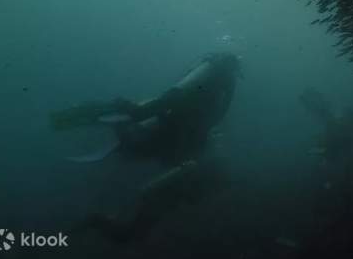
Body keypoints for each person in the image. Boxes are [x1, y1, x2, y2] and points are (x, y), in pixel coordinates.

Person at [51, 52, 241, 241]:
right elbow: (179, 96)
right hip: (170, 127)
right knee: (133, 141)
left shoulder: (217, 81)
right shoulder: (215, 77)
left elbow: (187, 106)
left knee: (134, 145)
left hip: (171, 128)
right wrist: (144, 111)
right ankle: (109, 116)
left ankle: (109, 118)